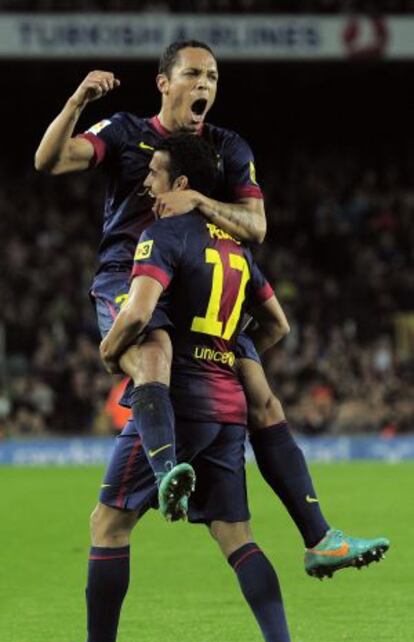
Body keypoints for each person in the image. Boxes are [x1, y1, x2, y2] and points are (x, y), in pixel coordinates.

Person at [34, 39, 389, 577]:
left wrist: (199, 201)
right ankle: (166, 468)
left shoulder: (228, 148)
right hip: (133, 277)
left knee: (262, 398)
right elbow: (49, 160)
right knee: (153, 352)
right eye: (194, 74)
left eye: (214, 77)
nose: (205, 86)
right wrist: (78, 101)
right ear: (164, 82)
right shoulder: (126, 133)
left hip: (200, 287)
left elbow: (257, 227)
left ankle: (321, 538)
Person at [34, 133, 303, 642]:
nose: (146, 184)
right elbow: (277, 325)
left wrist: (110, 351)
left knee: (108, 522)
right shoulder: (236, 247)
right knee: (238, 536)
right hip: (228, 405)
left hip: (174, 404)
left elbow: (139, 312)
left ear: (181, 184)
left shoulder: (160, 234)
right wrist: (229, 352)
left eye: (155, 174)